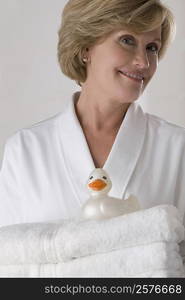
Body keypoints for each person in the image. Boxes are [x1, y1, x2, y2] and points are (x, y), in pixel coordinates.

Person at [0, 0, 185, 233]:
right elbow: (11, 261)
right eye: (127, 40)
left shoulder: (177, 149)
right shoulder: (26, 151)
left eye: (152, 47)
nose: (143, 62)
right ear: (86, 47)